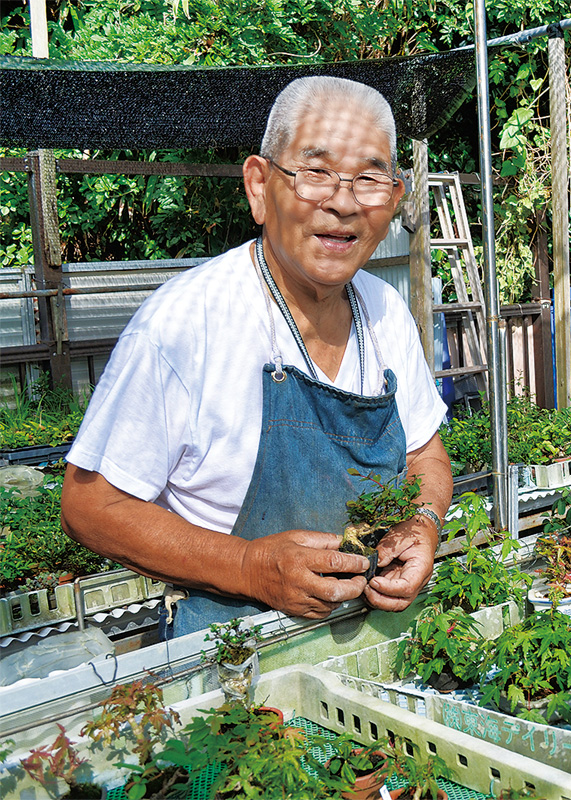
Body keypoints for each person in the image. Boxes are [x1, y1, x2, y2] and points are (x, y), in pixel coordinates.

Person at [60, 76, 451, 638]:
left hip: (379, 640)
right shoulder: (185, 324)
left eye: (368, 178)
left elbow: (427, 455)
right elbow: (90, 505)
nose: (342, 202)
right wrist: (249, 567)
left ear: (392, 198)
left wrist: (423, 524)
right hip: (234, 663)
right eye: (316, 173)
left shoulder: (385, 310)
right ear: (259, 187)